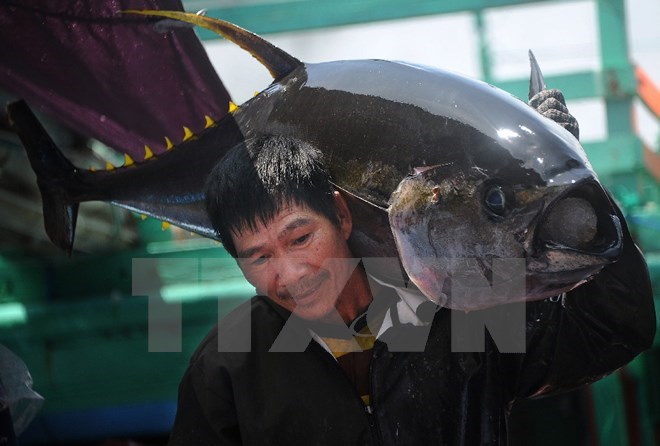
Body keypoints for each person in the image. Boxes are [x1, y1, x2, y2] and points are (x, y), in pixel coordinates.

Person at [167, 95, 655, 445]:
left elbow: (613, 327)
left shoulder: (458, 313)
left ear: (340, 214)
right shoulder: (225, 370)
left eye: (300, 238)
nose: (291, 274)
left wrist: (573, 175)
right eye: (259, 257)